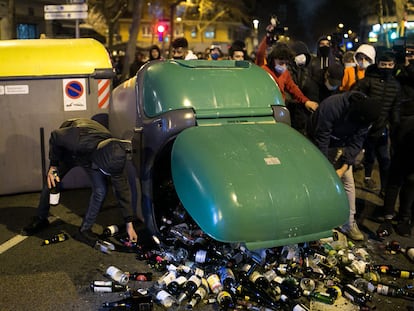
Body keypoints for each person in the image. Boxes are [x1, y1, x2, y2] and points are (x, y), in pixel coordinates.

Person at [21, 118, 139, 246]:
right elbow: (55, 136)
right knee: (52, 179)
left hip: (93, 154)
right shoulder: (75, 140)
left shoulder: (115, 157)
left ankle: (85, 230)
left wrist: (129, 224)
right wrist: (53, 165)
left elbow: (123, 193)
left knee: (101, 190)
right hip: (73, 148)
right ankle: (40, 218)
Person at [306, 91, 381, 240]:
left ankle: (349, 224)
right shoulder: (332, 106)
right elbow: (322, 138)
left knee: (348, 182)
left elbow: (357, 142)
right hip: (317, 141)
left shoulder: (367, 118)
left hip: (342, 144)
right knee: (316, 180)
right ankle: (313, 221)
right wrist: (325, 168)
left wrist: (344, 166)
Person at [377, 46, 414, 237]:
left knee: (410, 179)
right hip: (404, 128)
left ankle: (405, 217)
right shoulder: (399, 72)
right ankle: (388, 216)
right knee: (397, 176)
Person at [352, 51, 401, 196]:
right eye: (383, 64)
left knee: (384, 159)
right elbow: (356, 96)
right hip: (363, 127)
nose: (386, 67)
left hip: (381, 128)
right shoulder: (368, 81)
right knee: (360, 155)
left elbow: (395, 107)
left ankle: (384, 189)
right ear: (378, 64)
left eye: (390, 65)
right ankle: (361, 179)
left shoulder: (395, 85)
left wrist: (395, 125)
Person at [257, 40, 318, 113]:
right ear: (272, 60)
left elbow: (293, 88)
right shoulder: (264, 71)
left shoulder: (285, 73)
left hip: (280, 107)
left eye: (286, 63)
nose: (284, 66)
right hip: (267, 109)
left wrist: (306, 101)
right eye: (281, 63)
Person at [286, 40, 314, 134]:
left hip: (302, 113)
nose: (302, 57)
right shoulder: (286, 70)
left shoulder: (306, 70)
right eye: (299, 54)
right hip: (291, 110)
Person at [307, 35, 344, 102]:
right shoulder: (313, 62)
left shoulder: (336, 62)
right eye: (322, 44)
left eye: (327, 44)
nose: (325, 46)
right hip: (316, 95)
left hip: (331, 96)